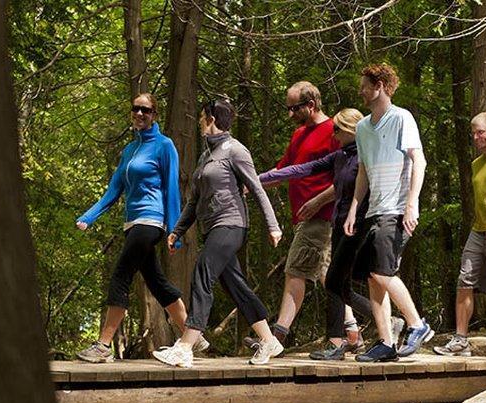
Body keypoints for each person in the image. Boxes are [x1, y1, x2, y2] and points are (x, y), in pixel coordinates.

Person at [259, 108, 401, 360]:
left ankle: (391, 327)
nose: (332, 134)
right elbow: (300, 169)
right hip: (340, 225)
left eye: (337, 130)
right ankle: (374, 329)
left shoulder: (368, 156)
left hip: (362, 226)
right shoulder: (340, 156)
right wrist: (258, 178)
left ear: (351, 130)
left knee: (363, 279)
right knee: (336, 283)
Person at [152, 100, 285, 368]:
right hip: (212, 227)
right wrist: (177, 230)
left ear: (211, 118)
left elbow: (257, 189)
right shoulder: (206, 156)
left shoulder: (236, 150)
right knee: (234, 284)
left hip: (232, 224)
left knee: (203, 271)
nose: (200, 121)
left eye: (202, 116)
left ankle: (187, 345)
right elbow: (194, 200)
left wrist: (273, 225)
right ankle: (269, 339)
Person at [74, 93, 200, 363]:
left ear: (154, 114)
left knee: (120, 276)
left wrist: (175, 232)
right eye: (136, 109)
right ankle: (193, 337)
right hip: (132, 224)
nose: (140, 114)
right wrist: (89, 216)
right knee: (156, 281)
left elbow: (172, 190)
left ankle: (103, 345)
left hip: (151, 221)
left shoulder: (165, 146)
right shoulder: (130, 151)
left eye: (146, 110)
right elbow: (114, 190)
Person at [344, 63, 433, 362]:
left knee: (382, 272)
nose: (361, 91)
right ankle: (385, 342)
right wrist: (355, 209)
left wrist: (412, 203)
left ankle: (417, 324)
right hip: (374, 209)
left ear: (380, 86)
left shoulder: (402, 118)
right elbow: (363, 174)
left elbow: (418, 163)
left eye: (365, 86)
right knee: (372, 276)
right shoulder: (362, 128)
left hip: (397, 209)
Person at [245, 81, 339, 350]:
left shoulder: (333, 131)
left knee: (295, 272)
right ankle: (358, 329)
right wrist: (252, 183)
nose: (290, 114)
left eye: (294, 108)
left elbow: (344, 177)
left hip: (321, 215)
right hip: (304, 217)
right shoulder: (299, 135)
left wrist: (319, 200)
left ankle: (277, 337)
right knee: (327, 276)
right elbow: (283, 171)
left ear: (311, 104)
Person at [434, 112, 486, 357]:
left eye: (480, 132)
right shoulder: (476, 163)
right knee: (465, 281)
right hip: (478, 231)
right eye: (473, 132)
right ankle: (460, 339)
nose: (475, 137)